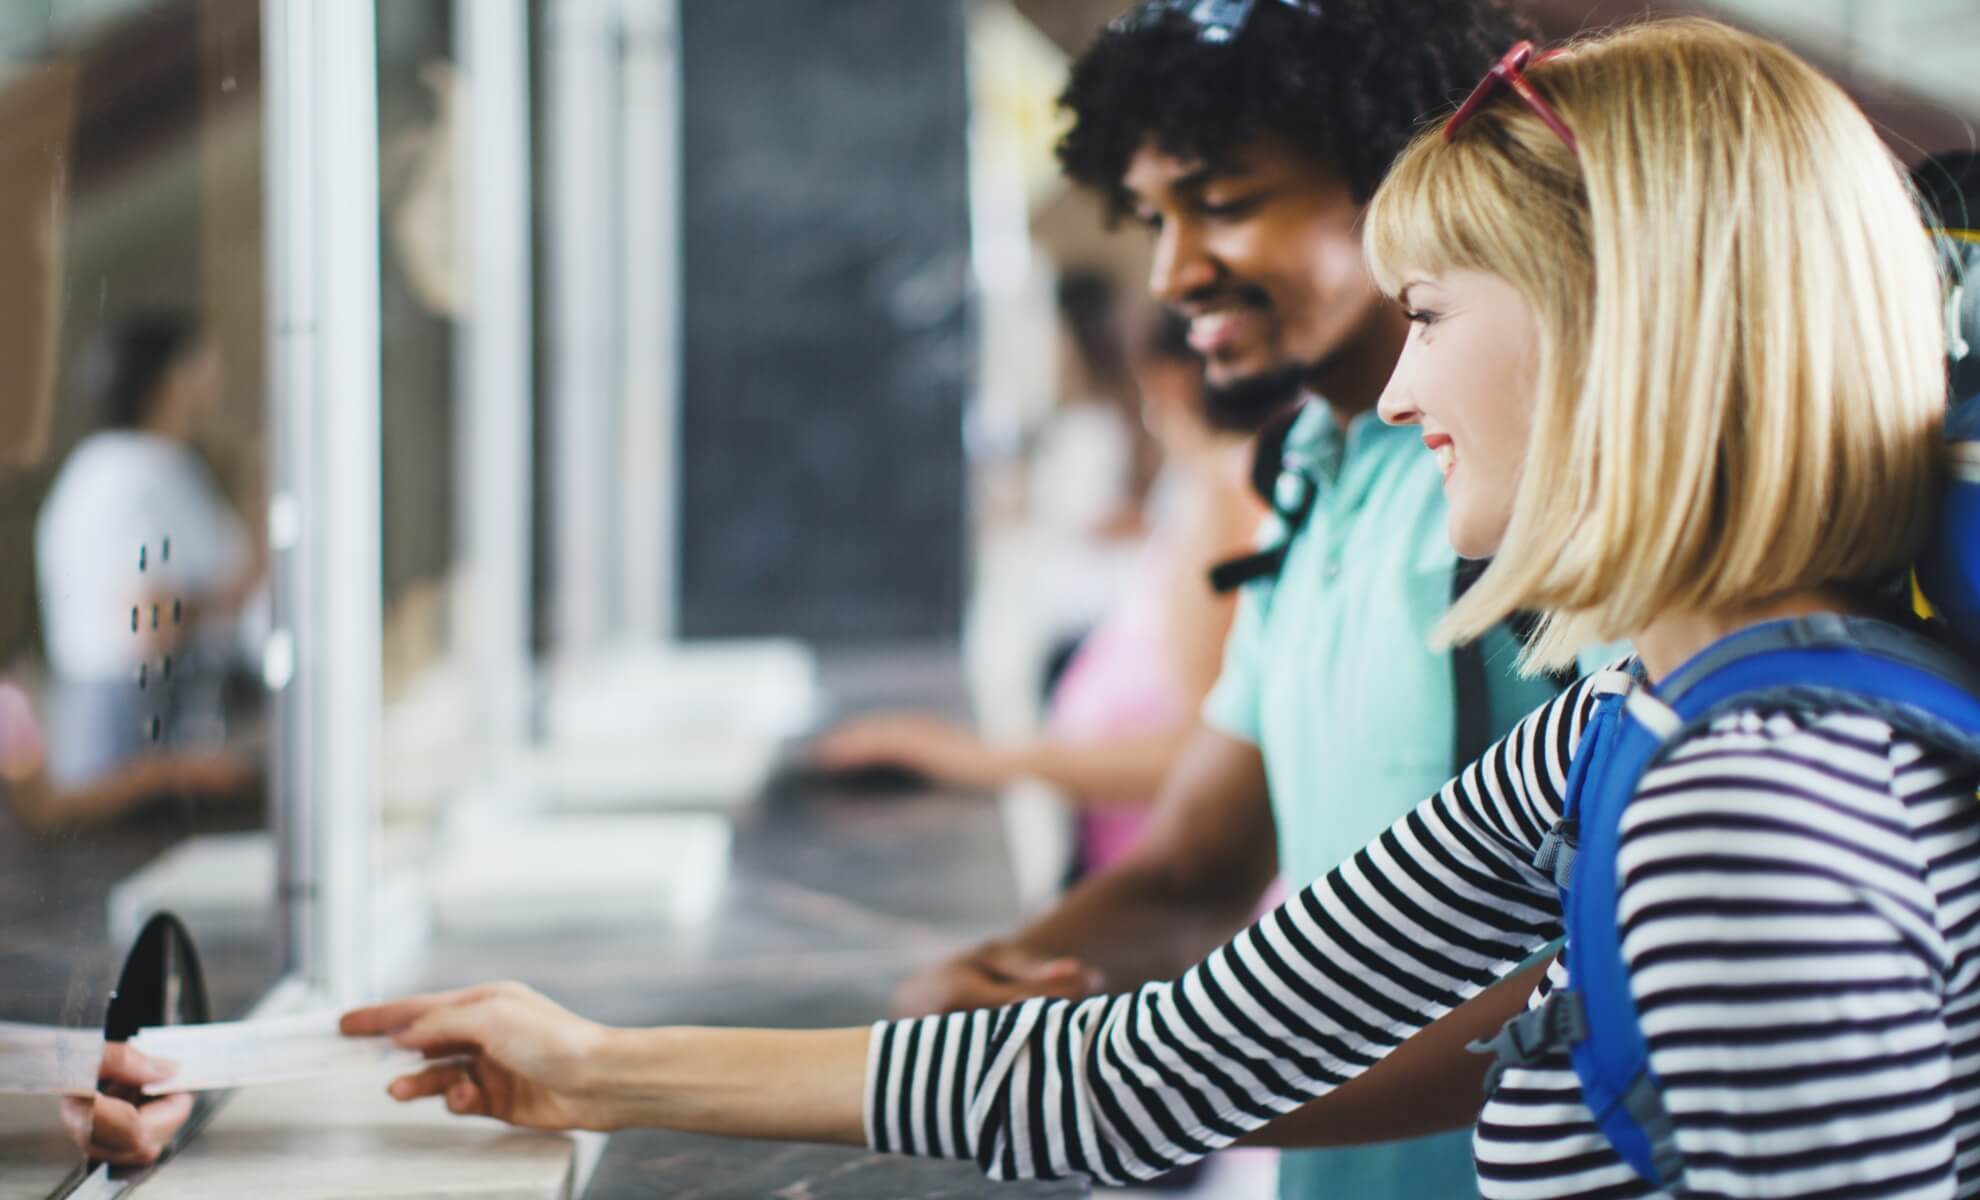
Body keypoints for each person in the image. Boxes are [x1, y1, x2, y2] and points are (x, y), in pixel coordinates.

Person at [341, 17, 1978, 1196]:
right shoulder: (1618, 730)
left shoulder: (1747, 815)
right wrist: (597, 1063)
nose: (1402, 384)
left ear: (1624, 333)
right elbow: (1166, 1061)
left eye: (1431, 311)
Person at [814, 312, 1261, 879]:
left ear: (1163, 381)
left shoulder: (1226, 496)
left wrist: (965, 756)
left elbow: (1206, 754)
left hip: (1180, 889)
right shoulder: (1198, 489)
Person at [32, 310, 257, 801]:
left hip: (135, 711)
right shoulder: (130, 474)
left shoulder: (136, 466)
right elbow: (149, 618)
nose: (216, 378)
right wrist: (228, 596)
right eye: (203, 363)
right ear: (168, 378)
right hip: (136, 726)